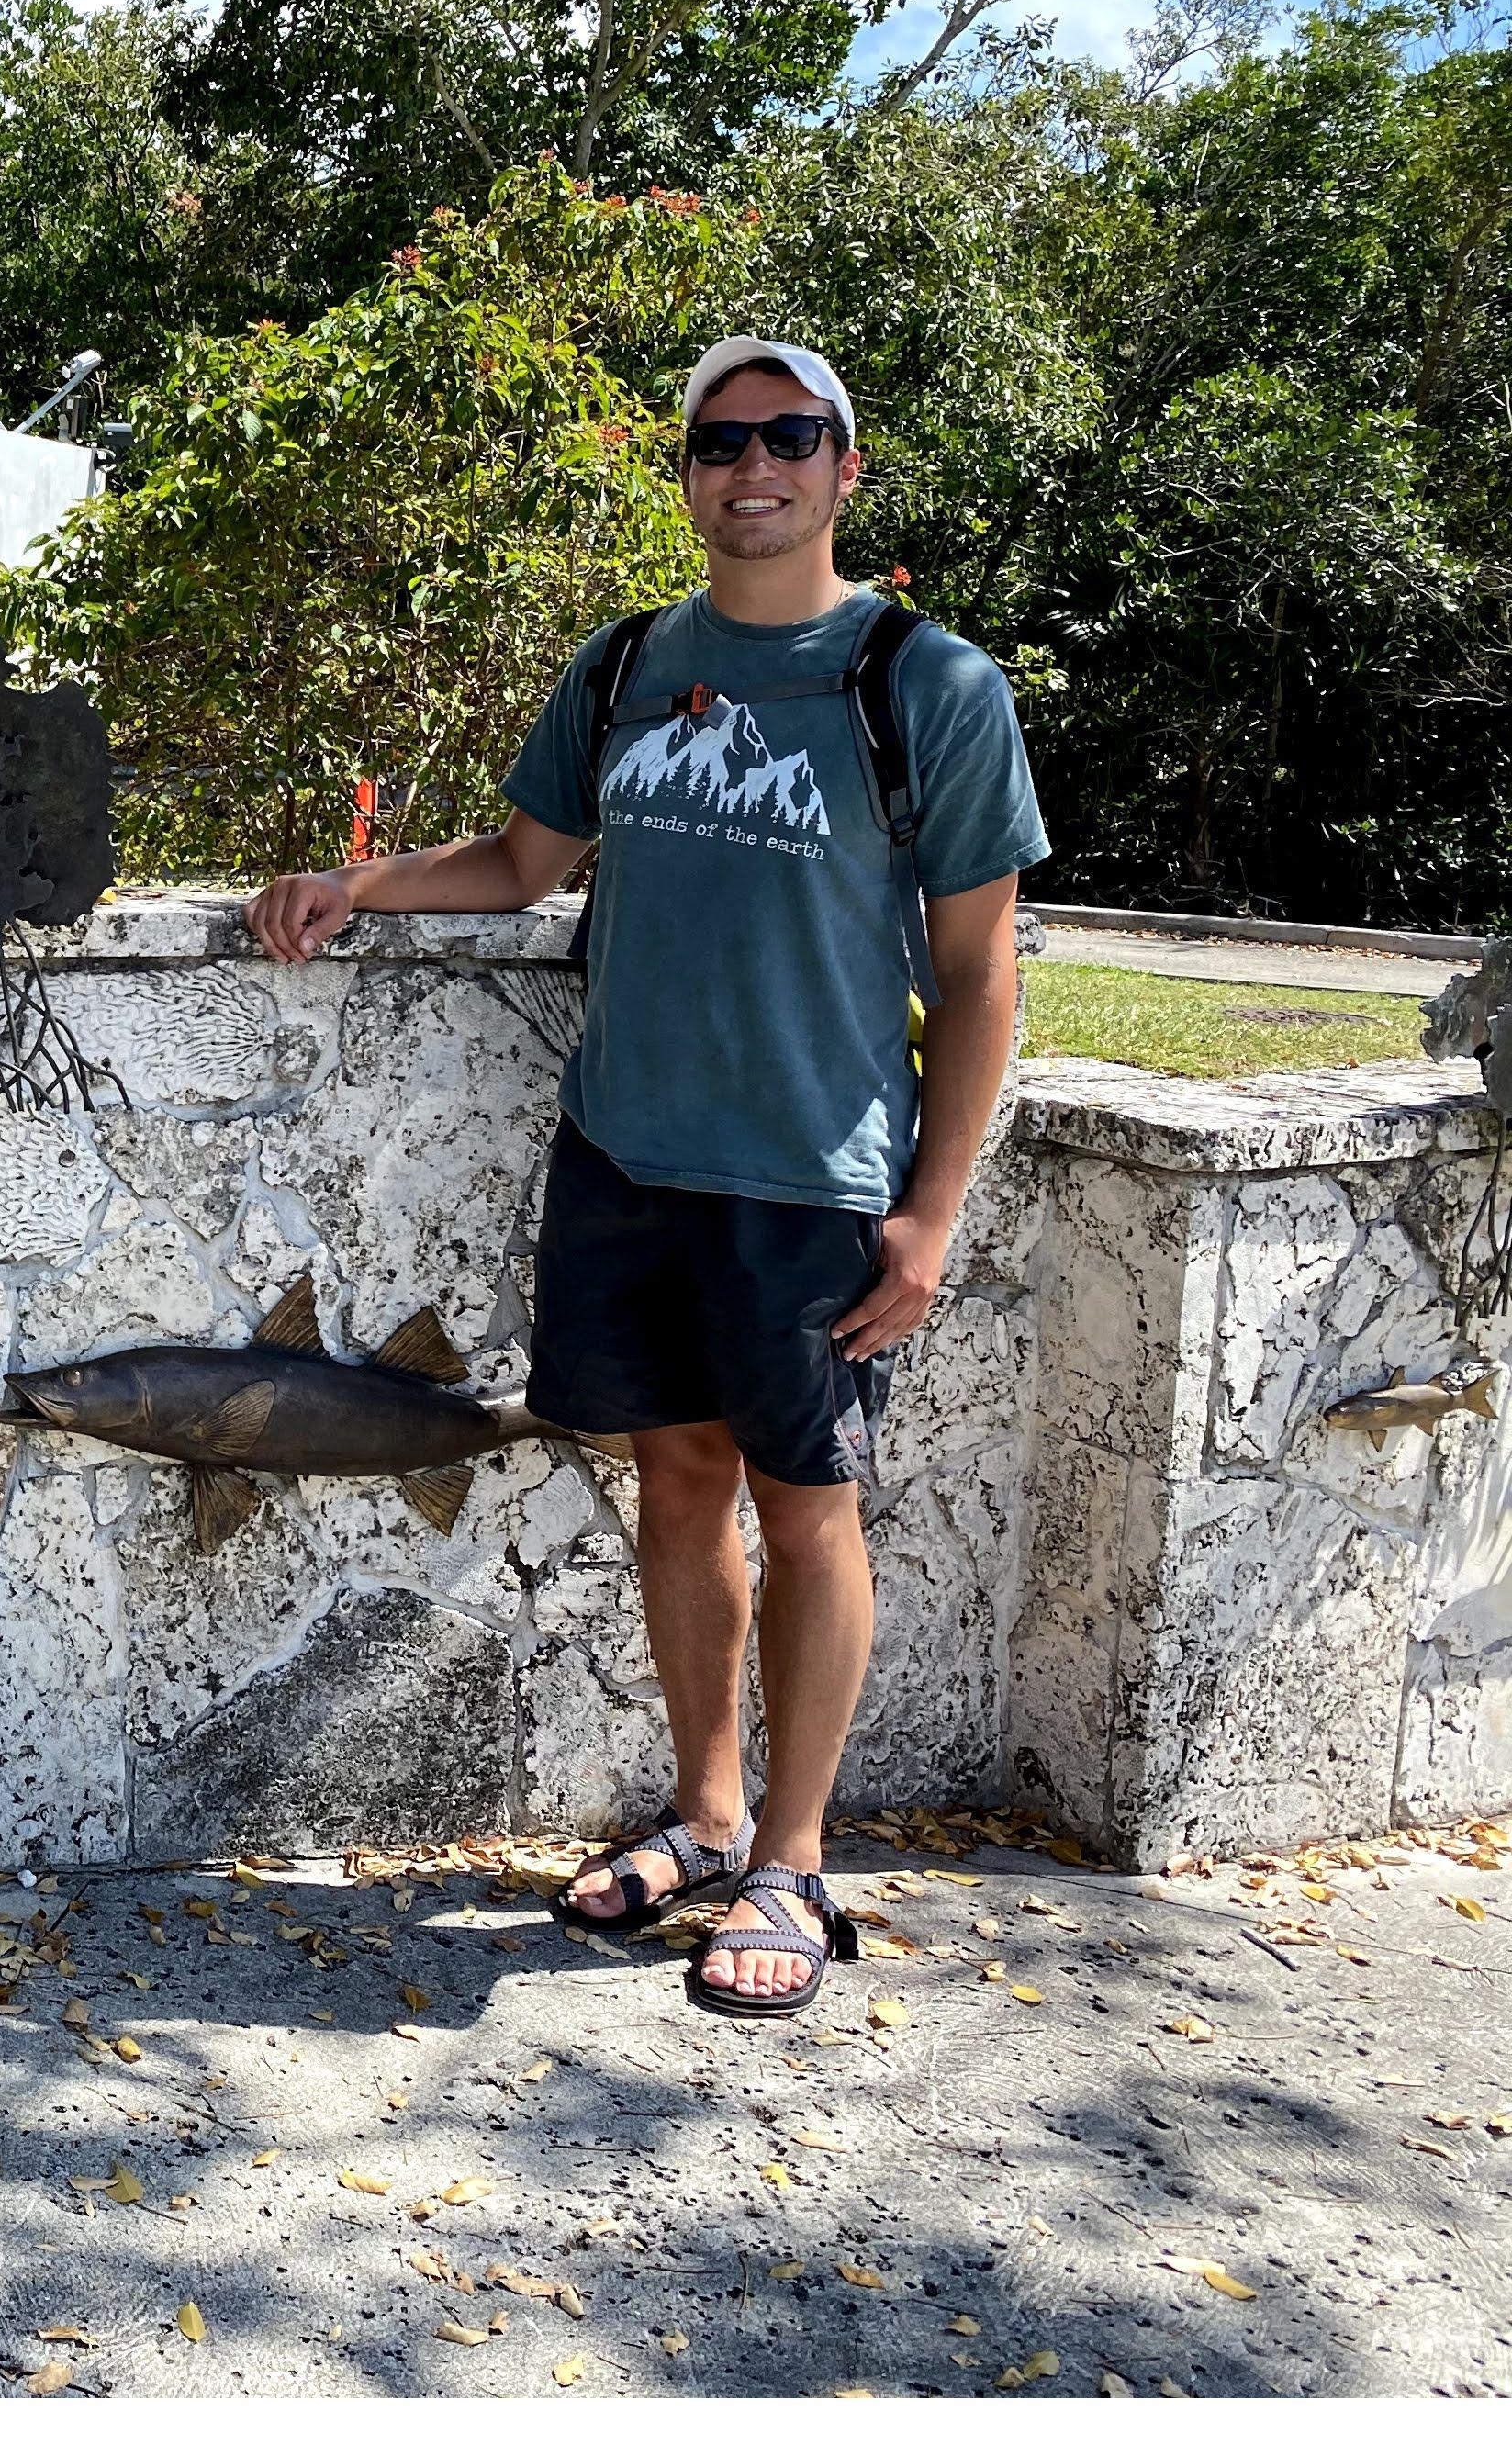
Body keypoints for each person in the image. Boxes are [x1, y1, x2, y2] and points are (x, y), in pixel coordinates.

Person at [246, 339, 1046, 2017]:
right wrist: (354, 884)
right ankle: (705, 1811)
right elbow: (527, 860)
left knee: (807, 1508)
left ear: (842, 466)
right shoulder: (622, 668)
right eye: (719, 441)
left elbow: (980, 975)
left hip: (810, 1182)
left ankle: (797, 1868)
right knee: (677, 1485)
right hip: (624, 1156)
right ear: (685, 472)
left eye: (788, 438)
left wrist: (933, 1206)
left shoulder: (929, 687)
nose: (751, 466)